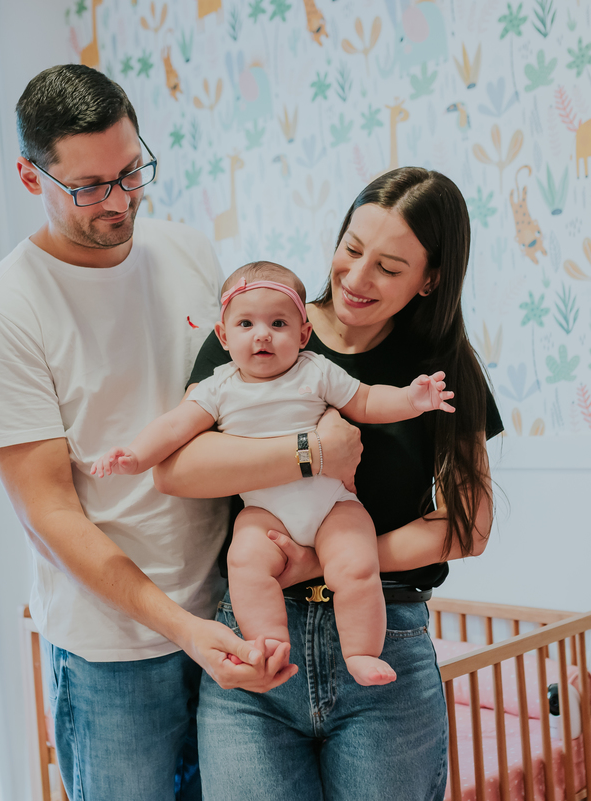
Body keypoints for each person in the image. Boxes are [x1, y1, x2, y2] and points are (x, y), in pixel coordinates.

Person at [0, 65, 351, 799]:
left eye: (131, 170)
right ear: (27, 175)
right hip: (114, 651)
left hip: (230, 613)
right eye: (89, 187)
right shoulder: (5, 310)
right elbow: (48, 514)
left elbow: (240, 400)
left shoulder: (188, 251)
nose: (119, 199)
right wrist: (179, 626)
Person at [153, 167, 505, 800]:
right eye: (350, 248)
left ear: (431, 280)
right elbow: (179, 468)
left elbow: (467, 527)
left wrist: (314, 564)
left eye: (390, 268)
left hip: (385, 640)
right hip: (258, 640)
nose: (356, 277)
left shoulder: (440, 369)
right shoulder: (259, 326)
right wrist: (310, 453)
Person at [91, 260, 456, 686]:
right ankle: (268, 646)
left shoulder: (316, 371)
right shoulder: (218, 387)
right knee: (245, 562)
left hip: (333, 504)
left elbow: (369, 401)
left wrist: (412, 401)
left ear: (303, 335)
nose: (262, 334)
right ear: (223, 336)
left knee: (356, 566)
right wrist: (135, 456)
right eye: (246, 323)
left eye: (278, 323)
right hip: (264, 511)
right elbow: (174, 427)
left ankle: (360, 652)